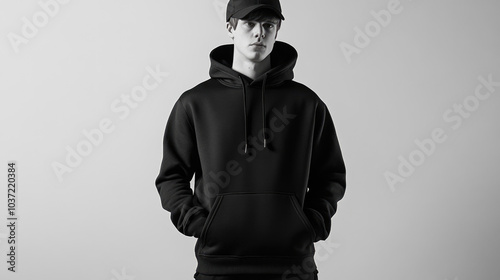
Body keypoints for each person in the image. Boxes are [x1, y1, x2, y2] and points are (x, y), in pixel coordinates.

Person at [154, 0, 346, 279]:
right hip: (219, 264)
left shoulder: (306, 103)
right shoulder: (195, 103)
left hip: (293, 265)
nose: (260, 33)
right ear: (230, 28)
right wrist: (199, 224)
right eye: (249, 24)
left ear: (277, 31)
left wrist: (311, 224)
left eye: (268, 25)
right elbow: (171, 176)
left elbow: (331, 176)